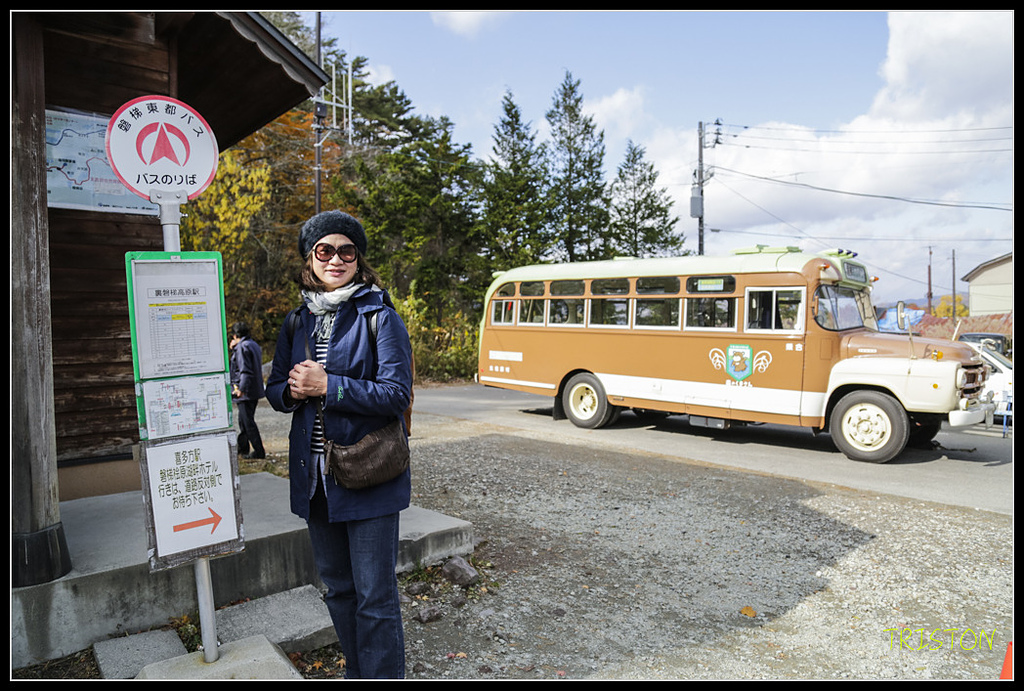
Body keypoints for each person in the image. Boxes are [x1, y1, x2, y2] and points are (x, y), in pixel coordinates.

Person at [266, 210, 412, 679]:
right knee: (339, 589)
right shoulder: (296, 322)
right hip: (315, 481)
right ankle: (358, 672)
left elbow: (396, 395)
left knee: (375, 595)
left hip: (367, 473)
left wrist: (330, 385)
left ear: (358, 259)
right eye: (324, 250)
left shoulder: (380, 317)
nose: (336, 259)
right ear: (310, 259)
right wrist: (292, 390)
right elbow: (275, 391)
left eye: (346, 251)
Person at [230, 321, 266, 460]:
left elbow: (244, 369)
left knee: (248, 422)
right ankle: (243, 448)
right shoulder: (252, 344)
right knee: (243, 421)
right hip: (254, 388)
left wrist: (241, 389)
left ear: (234, 335)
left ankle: (259, 452)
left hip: (246, 391)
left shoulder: (242, 347)